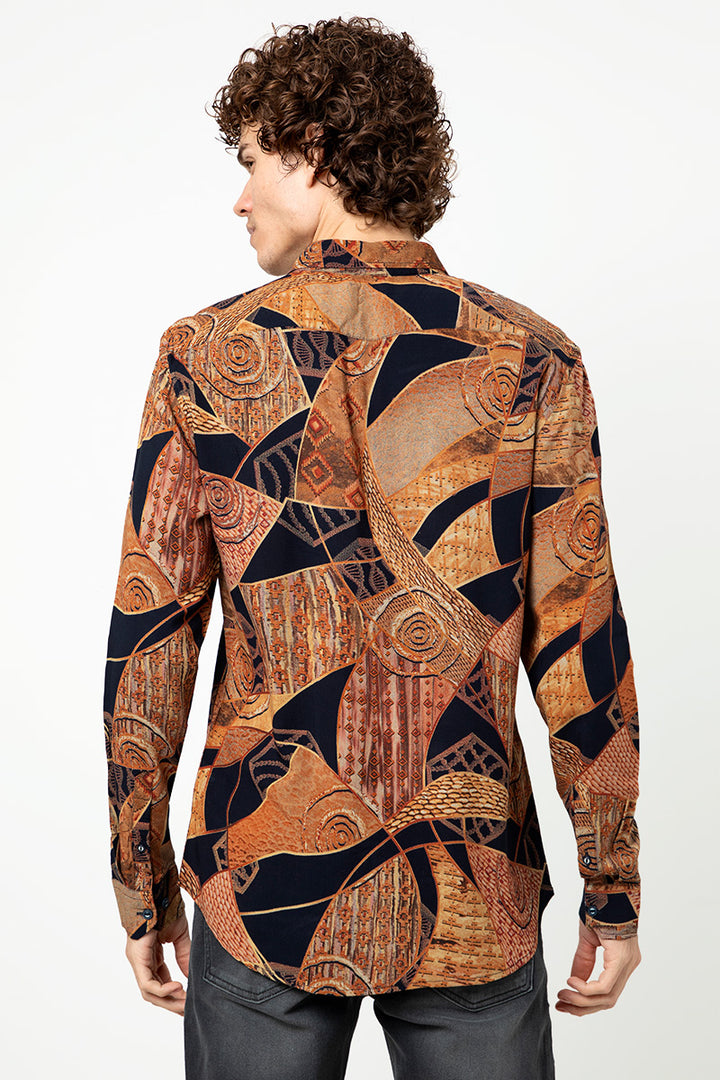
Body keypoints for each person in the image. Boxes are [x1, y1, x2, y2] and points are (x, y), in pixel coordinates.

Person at [103, 15, 641, 1080]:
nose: (240, 197)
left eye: (252, 160)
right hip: (472, 885)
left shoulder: (202, 356)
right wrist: (612, 889)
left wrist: (141, 882)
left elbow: (149, 639)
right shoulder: (533, 358)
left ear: (312, 151)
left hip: (263, 886)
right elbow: (583, 646)